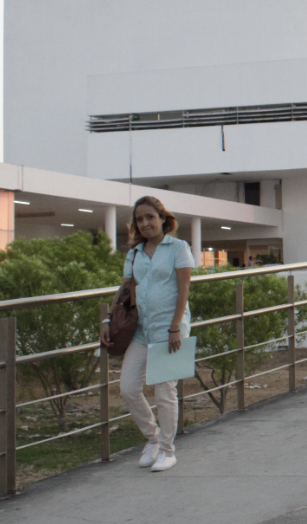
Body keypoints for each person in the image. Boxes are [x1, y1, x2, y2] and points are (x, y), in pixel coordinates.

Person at [100, 196, 193, 473]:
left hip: (170, 329)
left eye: (150, 217)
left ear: (162, 218)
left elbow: (184, 289)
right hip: (141, 330)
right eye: (140, 219)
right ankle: (152, 438)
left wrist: (175, 327)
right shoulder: (135, 253)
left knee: (165, 392)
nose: (145, 223)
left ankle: (168, 450)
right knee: (128, 387)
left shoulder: (178, 247)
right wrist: (107, 317)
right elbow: (126, 288)